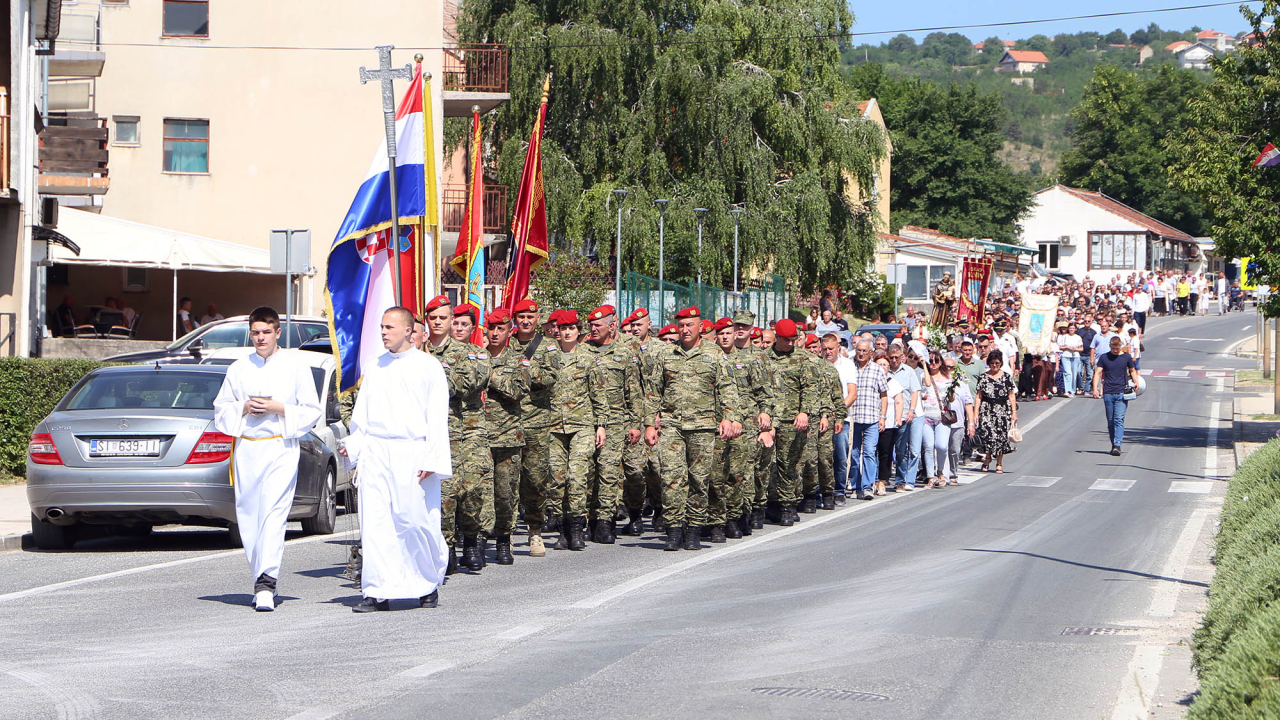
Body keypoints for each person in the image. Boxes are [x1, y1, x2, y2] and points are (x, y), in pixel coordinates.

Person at [341, 306, 452, 612]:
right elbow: (361, 416)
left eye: (389, 327)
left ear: (408, 330)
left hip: (413, 453)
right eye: (381, 327)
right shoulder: (375, 366)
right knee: (376, 523)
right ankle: (377, 590)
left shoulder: (428, 367)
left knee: (416, 521)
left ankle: (426, 583)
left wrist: (434, 457)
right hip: (377, 452)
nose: (383, 332)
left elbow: (437, 416)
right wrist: (354, 445)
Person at [212, 306, 322, 612]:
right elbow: (221, 408)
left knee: (274, 514)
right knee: (249, 515)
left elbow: (311, 410)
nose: (261, 338)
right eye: (256, 333)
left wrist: (277, 408)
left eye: (266, 332)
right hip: (247, 448)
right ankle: (258, 574)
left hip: (279, 447)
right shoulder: (238, 368)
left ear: (278, 333)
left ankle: (267, 582)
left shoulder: (295, 366)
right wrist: (244, 408)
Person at [646, 307, 740, 549]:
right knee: (671, 478)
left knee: (699, 480)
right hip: (672, 426)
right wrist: (648, 423)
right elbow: (653, 390)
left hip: (702, 427)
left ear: (700, 326)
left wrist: (731, 417)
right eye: (682, 325)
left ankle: (694, 530)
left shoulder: (714, 354)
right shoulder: (667, 354)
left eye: (690, 325)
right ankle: (674, 530)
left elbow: (728, 388)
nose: (685, 330)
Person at [424, 296, 492, 573]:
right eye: (433, 317)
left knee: (473, 490)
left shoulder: (472, 354)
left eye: (443, 317)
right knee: (445, 494)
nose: (438, 322)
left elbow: (469, 384)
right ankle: (447, 547)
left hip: (469, 432)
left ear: (452, 320)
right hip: (436, 434)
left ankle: (473, 540)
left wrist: (433, 367)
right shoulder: (417, 352)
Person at [545, 310, 607, 551]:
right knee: (557, 479)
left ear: (578, 330)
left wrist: (600, 425)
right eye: (563, 328)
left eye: (572, 327)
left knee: (577, 477)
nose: (567, 332)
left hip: (582, 425)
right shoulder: (548, 357)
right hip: (552, 427)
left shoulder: (588, 358)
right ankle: (562, 530)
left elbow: (599, 394)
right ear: (557, 331)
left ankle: (577, 528)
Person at [583, 305, 645, 543]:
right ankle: (588, 518)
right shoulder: (584, 351)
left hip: (616, 422)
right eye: (591, 325)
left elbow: (634, 391)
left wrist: (636, 423)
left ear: (611, 326)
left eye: (598, 325)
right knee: (588, 473)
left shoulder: (624, 353)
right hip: (587, 420)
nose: (593, 329)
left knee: (608, 472)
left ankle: (605, 522)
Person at [481, 308, 530, 566]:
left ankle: (503, 539)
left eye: (501, 328)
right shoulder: (476, 357)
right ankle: (478, 541)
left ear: (509, 331)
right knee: (480, 493)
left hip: (509, 437)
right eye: (492, 328)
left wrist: (490, 374)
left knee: (505, 494)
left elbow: (518, 391)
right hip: (479, 437)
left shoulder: (519, 359)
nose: (496, 333)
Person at [848, 338, 888, 500]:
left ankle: (867, 487)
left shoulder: (877, 370)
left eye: (865, 351)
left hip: (872, 418)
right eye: (859, 350)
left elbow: (883, 395)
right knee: (854, 454)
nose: (861, 353)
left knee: (870, 453)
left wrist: (883, 417)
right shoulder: (850, 367)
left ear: (871, 353)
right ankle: (855, 485)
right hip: (854, 418)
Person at [1093, 335, 1141, 456]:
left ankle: (1117, 444)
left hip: (1122, 392)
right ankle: (1113, 443)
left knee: (1118, 419)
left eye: (1117, 348)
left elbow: (1132, 370)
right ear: (1110, 346)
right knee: (1110, 421)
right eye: (1113, 348)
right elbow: (1098, 373)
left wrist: (1136, 381)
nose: (1115, 350)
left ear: (1120, 346)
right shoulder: (1104, 357)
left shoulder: (1126, 357)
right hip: (1108, 392)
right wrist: (1095, 389)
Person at [931, 353, 974, 486]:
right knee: (940, 447)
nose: (949, 369)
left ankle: (953, 473)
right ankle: (940, 474)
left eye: (952, 367)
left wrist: (971, 423)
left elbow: (968, 404)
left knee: (954, 450)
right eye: (947, 367)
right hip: (941, 421)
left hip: (957, 422)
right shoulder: (938, 382)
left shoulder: (962, 384)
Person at [973, 349, 1017, 474]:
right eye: (992, 363)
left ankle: (999, 463)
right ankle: (987, 458)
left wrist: (1014, 412)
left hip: (1002, 409)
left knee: (1000, 437)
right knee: (987, 435)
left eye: (997, 363)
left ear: (1001, 363)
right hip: (987, 409)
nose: (994, 365)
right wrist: (976, 413)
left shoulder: (1006, 377)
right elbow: (978, 396)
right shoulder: (983, 377)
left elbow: (1011, 395)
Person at [874, 353, 905, 496]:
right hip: (871, 421)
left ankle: (882, 481)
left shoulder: (893, 383)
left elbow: (899, 401)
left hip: (889, 424)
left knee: (885, 453)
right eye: (879, 364)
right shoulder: (871, 380)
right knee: (870, 452)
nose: (882, 367)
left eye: (884, 365)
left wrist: (898, 418)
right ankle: (871, 480)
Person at [1058, 322, 1084, 398]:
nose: (1071, 330)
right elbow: (1060, 347)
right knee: (1067, 373)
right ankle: (1067, 390)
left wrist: (1075, 349)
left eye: (1073, 328)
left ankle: (1072, 390)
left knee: (1074, 374)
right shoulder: (1064, 336)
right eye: (1070, 328)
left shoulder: (1078, 337)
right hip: (1066, 356)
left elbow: (1081, 348)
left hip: (1075, 356)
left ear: (1075, 329)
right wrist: (1067, 347)